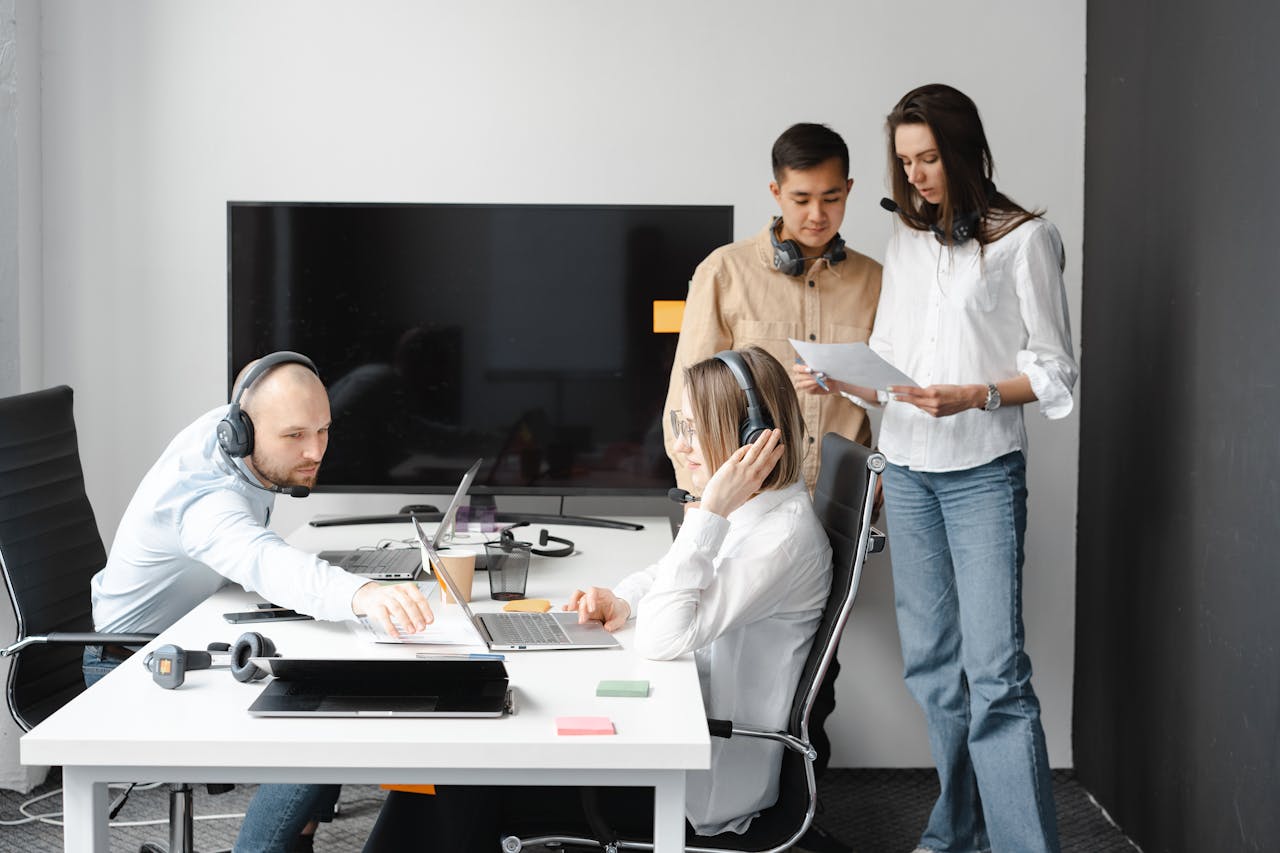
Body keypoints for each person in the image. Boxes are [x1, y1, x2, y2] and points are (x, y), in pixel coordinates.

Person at [363, 346, 832, 851]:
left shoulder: (776, 538)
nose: (681, 444)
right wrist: (623, 599)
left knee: (457, 771)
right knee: (452, 765)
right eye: (681, 424)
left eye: (699, 429)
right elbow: (670, 573)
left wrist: (711, 508)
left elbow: (661, 636)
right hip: (680, 736)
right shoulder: (757, 511)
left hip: (699, 786)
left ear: (751, 440)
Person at [831, 84, 1077, 853]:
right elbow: (899, 364)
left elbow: (1056, 373)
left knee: (996, 674)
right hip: (903, 468)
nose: (916, 177)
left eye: (929, 158)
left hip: (980, 473)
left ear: (964, 149)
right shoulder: (905, 240)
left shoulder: (1024, 239)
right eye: (905, 163)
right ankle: (957, 830)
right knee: (935, 670)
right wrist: (841, 376)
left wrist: (977, 394)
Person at [87, 351, 436, 853]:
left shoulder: (238, 436)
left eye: (323, 431)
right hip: (135, 662)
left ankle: (296, 838)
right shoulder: (201, 496)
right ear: (241, 432)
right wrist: (361, 593)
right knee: (317, 727)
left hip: (196, 624)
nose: (315, 451)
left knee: (340, 667)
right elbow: (263, 560)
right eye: (294, 436)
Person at [664, 122, 882, 496]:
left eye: (831, 198)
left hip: (843, 501)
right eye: (801, 199)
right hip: (749, 503)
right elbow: (685, 399)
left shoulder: (876, 280)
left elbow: (895, 391)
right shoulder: (722, 272)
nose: (817, 214)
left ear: (848, 189)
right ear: (776, 192)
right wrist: (697, 496)